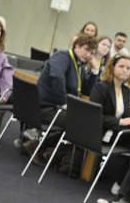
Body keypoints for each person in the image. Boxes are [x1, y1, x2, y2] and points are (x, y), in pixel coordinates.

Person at [23, 33, 98, 162]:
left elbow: (86, 90)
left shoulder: (79, 65)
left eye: (92, 53)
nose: (88, 55)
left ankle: (44, 149)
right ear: (76, 45)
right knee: (85, 125)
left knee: (87, 124)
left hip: (55, 108)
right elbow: (57, 77)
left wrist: (95, 71)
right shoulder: (62, 56)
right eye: (86, 50)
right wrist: (64, 103)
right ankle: (52, 153)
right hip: (43, 108)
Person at [89, 53, 130, 139]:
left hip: (116, 130)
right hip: (102, 132)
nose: (125, 70)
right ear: (112, 67)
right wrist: (120, 121)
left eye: (128, 68)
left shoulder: (125, 90)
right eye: (121, 66)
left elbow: (127, 113)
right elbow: (95, 116)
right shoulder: (101, 87)